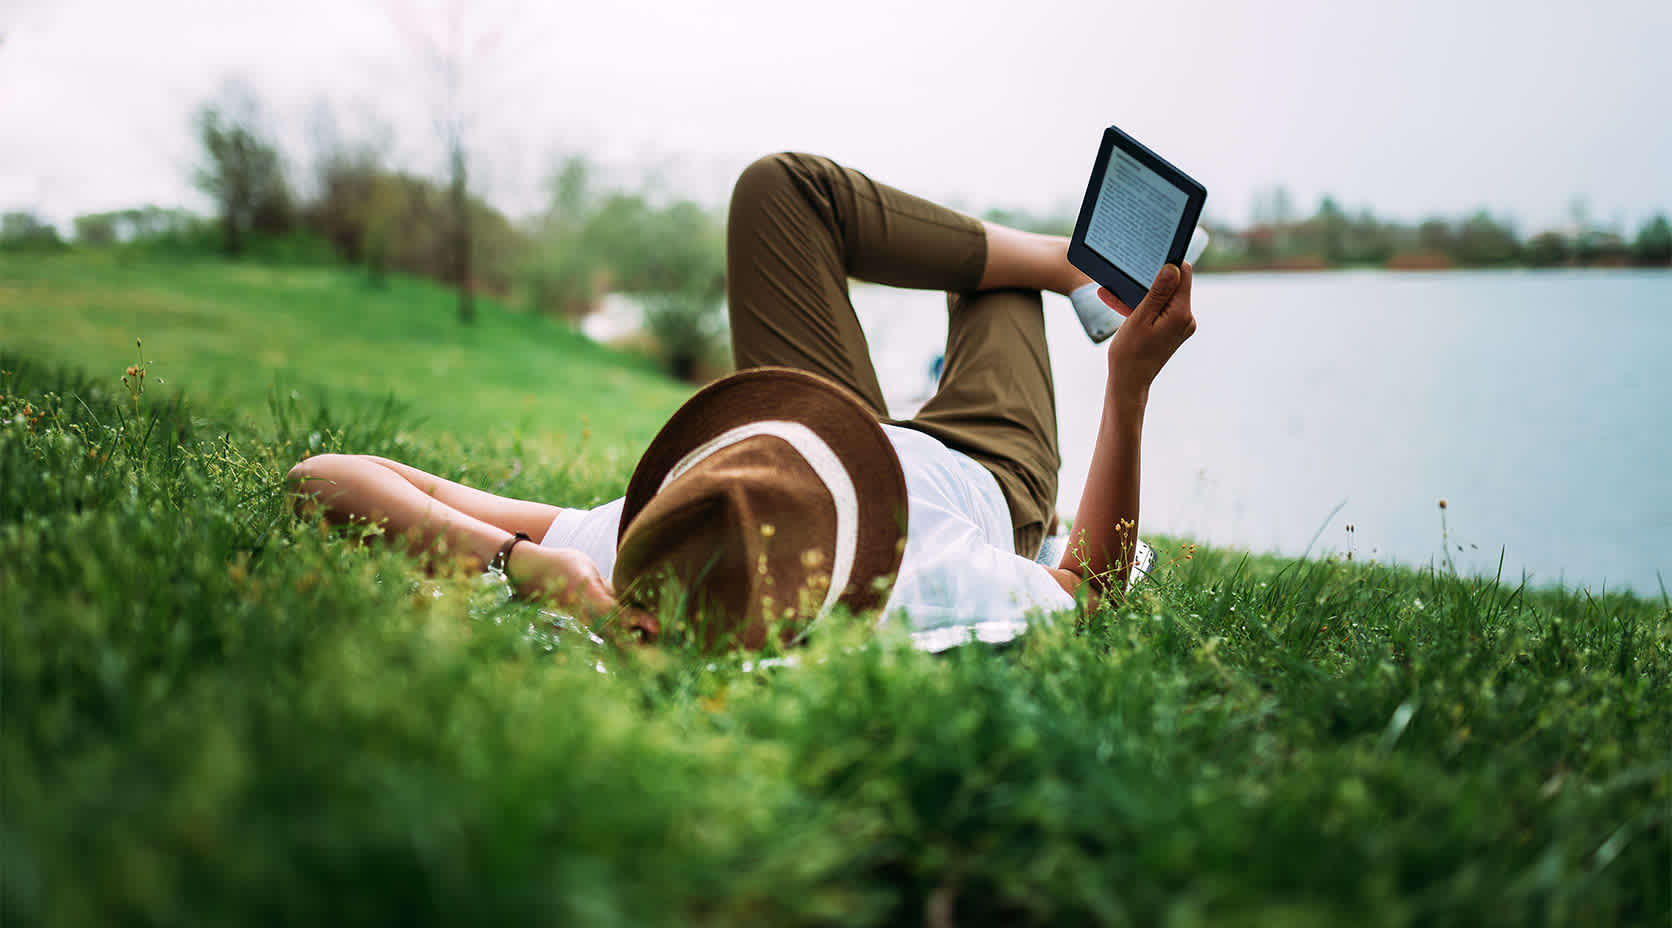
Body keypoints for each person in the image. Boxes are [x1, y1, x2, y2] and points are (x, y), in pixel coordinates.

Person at [286, 152, 1196, 651]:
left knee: (779, 190)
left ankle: (1066, 260)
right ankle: (1069, 270)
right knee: (995, 292)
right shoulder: (919, 579)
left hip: (817, 426)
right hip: (984, 470)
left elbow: (326, 475)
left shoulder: (635, 554)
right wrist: (1128, 390)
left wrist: (527, 567)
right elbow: (1090, 591)